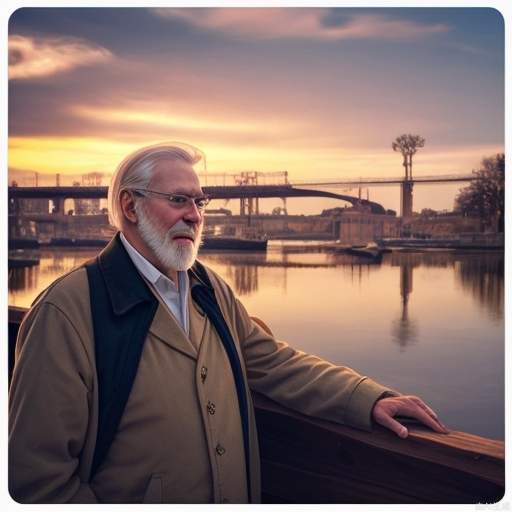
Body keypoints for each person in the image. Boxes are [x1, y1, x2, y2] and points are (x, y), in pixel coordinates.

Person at [9, 142, 448, 504]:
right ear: (129, 206)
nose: (195, 215)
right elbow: (37, 483)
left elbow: (274, 363)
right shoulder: (66, 313)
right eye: (178, 200)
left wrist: (366, 398)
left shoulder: (208, 288)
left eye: (199, 202)